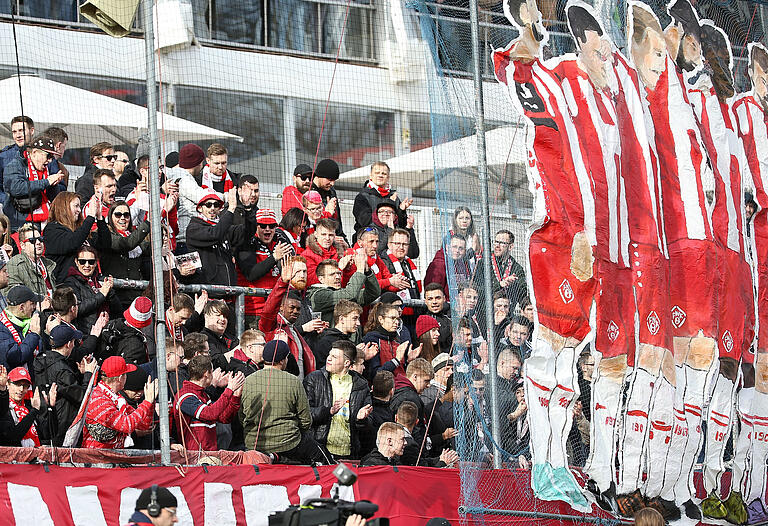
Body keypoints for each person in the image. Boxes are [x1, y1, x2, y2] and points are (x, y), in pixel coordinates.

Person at [239, 340, 331, 464]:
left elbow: (242, 416)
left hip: (253, 444)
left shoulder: (248, 380)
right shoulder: (293, 381)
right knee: (322, 454)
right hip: (288, 443)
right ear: (282, 360)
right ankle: (343, 481)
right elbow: (306, 420)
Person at [303, 340, 373, 459]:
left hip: (348, 454)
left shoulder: (361, 385)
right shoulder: (313, 379)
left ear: (346, 363)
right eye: (329, 355)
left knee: (347, 478)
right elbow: (304, 415)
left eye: (334, 357)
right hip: (319, 450)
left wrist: (360, 419)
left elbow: (369, 424)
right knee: (323, 478)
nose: (328, 359)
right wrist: (328, 411)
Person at [33, 324, 98, 446]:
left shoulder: (40, 360)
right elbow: (82, 397)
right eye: (73, 341)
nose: (74, 345)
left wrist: (80, 374)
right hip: (60, 428)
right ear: (68, 344)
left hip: (43, 421)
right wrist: (88, 374)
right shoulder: (62, 370)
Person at [258, 257, 317, 379]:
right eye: (292, 307)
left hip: (299, 387)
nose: (296, 311)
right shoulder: (272, 326)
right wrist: (282, 283)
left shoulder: (293, 330)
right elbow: (268, 310)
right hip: (280, 387)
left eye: (298, 309)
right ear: (280, 307)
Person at [82, 355, 157, 449]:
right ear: (120, 377)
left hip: (112, 457)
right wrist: (147, 402)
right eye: (126, 374)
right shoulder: (99, 399)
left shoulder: (117, 398)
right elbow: (126, 425)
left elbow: (144, 425)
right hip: (97, 459)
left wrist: (150, 401)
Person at [175, 354, 245, 451]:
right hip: (194, 457)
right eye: (212, 372)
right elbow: (210, 414)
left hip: (209, 454)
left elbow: (224, 418)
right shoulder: (185, 397)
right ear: (206, 374)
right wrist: (229, 389)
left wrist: (235, 396)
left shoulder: (204, 395)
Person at [186, 189, 253, 287]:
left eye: (216, 205)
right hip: (208, 292)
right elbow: (215, 234)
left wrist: (248, 209)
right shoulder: (193, 228)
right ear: (200, 208)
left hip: (228, 292)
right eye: (208, 205)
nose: (212, 208)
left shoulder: (223, 228)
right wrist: (231, 210)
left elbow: (248, 231)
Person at [236, 208, 291, 325]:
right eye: (263, 225)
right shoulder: (246, 244)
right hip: (254, 312)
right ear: (256, 226)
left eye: (271, 226)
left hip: (276, 310)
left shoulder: (280, 244)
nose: (267, 229)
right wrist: (274, 257)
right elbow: (251, 274)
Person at [3, 136, 66, 231]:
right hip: (19, 224)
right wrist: (47, 181)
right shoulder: (14, 166)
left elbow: (52, 198)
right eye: (48, 156)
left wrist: (53, 185)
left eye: (52, 157)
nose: (50, 160)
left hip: (44, 222)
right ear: (34, 153)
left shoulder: (46, 169)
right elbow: (17, 188)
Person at [98, 201, 150, 309]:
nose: (123, 218)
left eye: (126, 215)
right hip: (115, 297)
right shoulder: (106, 236)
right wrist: (149, 222)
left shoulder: (135, 237)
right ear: (110, 217)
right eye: (118, 214)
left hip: (135, 297)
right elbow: (127, 243)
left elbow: (150, 248)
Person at [43, 191, 102, 283]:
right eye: (76, 206)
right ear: (64, 207)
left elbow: (105, 243)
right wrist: (90, 217)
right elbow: (72, 243)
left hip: (86, 285)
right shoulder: (52, 230)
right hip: (66, 287)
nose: (79, 210)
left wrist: (99, 218)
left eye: (79, 206)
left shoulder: (80, 230)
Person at [62, 245, 121, 335]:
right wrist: (101, 295)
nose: (87, 265)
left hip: (107, 329)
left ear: (96, 263)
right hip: (86, 332)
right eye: (82, 262)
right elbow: (77, 309)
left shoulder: (100, 280)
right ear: (76, 262)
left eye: (91, 262)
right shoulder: (70, 282)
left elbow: (118, 310)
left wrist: (110, 291)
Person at [306, 256, 380, 325]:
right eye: (332, 274)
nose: (338, 277)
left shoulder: (341, 292)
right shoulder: (319, 295)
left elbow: (373, 293)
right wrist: (360, 269)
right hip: (334, 338)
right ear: (321, 279)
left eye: (339, 273)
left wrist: (367, 271)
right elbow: (350, 294)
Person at [169, 143, 211, 252]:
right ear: (198, 163)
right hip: (184, 240)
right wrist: (226, 197)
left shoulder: (176, 175)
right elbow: (203, 197)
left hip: (181, 238)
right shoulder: (185, 179)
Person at [0, 366, 57, 446]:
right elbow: (11, 437)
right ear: (7, 384)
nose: (21, 389)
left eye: (25, 386)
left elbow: (48, 434)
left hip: (35, 456)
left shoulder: (29, 406)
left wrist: (51, 408)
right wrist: (33, 412)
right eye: (17, 384)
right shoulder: (3, 408)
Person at [352, 161, 412, 235]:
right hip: (369, 240)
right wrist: (389, 203)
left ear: (388, 177)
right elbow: (364, 221)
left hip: (392, 240)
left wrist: (401, 211)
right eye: (377, 173)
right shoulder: (362, 197)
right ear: (370, 175)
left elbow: (401, 225)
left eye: (384, 173)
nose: (380, 175)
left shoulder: (395, 198)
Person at [395, 401, 459, 467]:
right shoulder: (410, 445)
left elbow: (422, 461)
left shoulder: (414, 437)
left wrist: (440, 458)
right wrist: (442, 462)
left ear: (396, 418)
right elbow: (422, 469)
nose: (404, 442)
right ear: (417, 422)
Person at [475, 229, 527, 308]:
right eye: (496, 242)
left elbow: (522, 295)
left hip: (507, 314)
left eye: (502, 243)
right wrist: (499, 285)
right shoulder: (483, 263)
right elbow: (477, 290)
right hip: (485, 313)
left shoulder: (517, 268)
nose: (497, 246)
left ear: (510, 246)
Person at [6, 222, 56, 299]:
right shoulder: (14, 264)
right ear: (22, 245)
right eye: (32, 240)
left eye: (40, 239)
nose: (38, 243)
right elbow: (11, 296)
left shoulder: (49, 264)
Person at [0, 285, 42, 370]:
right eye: (32, 304)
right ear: (22, 307)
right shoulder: (2, 329)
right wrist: (34, 335)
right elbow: (16, 357)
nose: (34, 307)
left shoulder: (26, 323)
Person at [314, 299, 363, 366]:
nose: (358, 323)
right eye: (354, 318)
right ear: (341, 319)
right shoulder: (326, 341)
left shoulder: (349, 341)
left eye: (358, 319)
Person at [381, 228, 422, 305]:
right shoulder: (383, 263)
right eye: (397, 243)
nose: (401, 247)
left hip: (414, 309)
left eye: (405, 244)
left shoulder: (409, 264)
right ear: (389, 245)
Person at [425, 234, 473, 299]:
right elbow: (433, 291)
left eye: (461, 248)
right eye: (454, 247)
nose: (457, 251)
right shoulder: (439, 265)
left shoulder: (463, 265)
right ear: (447, 247)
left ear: (465, 251)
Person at [312, 158, 347, 243]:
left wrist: (343, 239)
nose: (332, 184)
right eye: (330, 180)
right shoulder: (309, 192)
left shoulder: (331, 191)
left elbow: (337, 220)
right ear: (320, 176)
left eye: (334, 180)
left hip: (335, 238)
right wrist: (326, 212)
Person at [301, 218, 342, 286]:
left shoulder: (340, 253)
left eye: (330, 235)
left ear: (335, 235)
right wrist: (340, 268)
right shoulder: (307, 255)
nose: (327, 238)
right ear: (316, 234)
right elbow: (312, 281)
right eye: (323, 234)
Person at [201, 299, 238, 372]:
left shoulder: (232, 339)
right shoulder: (202, 339)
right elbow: (216, 363)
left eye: (225, 316)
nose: (222, 319)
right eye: (218, 315)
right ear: (206, 316)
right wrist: (240, 349)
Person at [424, 283, 452, 351]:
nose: (434, 302)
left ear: (444, 299)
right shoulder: (422, 321)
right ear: (425, 301)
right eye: (430, 299)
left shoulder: (453, 318)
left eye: (438, 298)